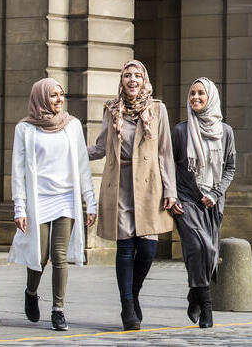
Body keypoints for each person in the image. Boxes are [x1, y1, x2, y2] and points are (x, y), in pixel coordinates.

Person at [88, 60, 176, 330]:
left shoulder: (157, 109)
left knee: (148, 248)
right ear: (122, 80)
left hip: (150, 185)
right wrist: (69, 153)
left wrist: (170, 189)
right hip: (121, 184)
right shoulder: (112, 109)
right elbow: (101, 146)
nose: (132, 79)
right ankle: (128, 306)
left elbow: (164, 152)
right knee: (125, 247)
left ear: (144, 80)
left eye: (137, 75)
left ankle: (133, 294)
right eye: (127, 75)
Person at [8, 78, 97, 331]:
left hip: (65, 199)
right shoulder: (25, 129)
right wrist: (19, 208)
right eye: (53, 95)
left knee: (59, 256)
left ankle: (58, 310)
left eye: (61, 95)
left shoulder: (72, 126)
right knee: (40, 255)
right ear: (40, 97)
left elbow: (82, 165)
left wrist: (90, 201)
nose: (59, 100)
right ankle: (31, 292)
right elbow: (18, 171)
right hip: (39, 200)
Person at [170, 77, 235, 329]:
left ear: (211, 98)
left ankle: (194, 294)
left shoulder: (226, 132)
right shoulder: (181, 130)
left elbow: (230, 167)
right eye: (192, 93)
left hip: (213, 202)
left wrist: (217, 193)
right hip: (187, 198)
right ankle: (207, 309)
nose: (195, 97)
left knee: (209, 253)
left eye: (201, 94)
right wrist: (172, 195)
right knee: (201, 248)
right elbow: (169, 165)